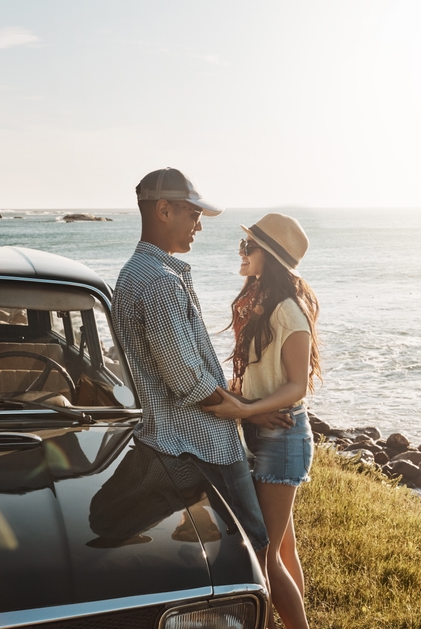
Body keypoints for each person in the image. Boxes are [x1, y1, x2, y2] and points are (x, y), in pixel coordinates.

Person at [111, 168, 292, 586]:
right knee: (254, 555)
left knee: (209, 561)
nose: (198, 225)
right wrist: (249, 412)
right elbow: (188, 381)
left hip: (168, 438)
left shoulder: (135, 273)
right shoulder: (159, 282)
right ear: (163, 210)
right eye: (193, 213)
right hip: (204, 444)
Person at [204, 213, 320, 629]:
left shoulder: (289, 311)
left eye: (249, 246)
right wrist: (244, 402)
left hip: (282, 435)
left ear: (269, 257)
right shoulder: (258, 303)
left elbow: (296, 386)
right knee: (283, 547)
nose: (242, 251)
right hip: (262, 428)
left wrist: (247, 410)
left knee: (264, 553)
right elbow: (252, 377)